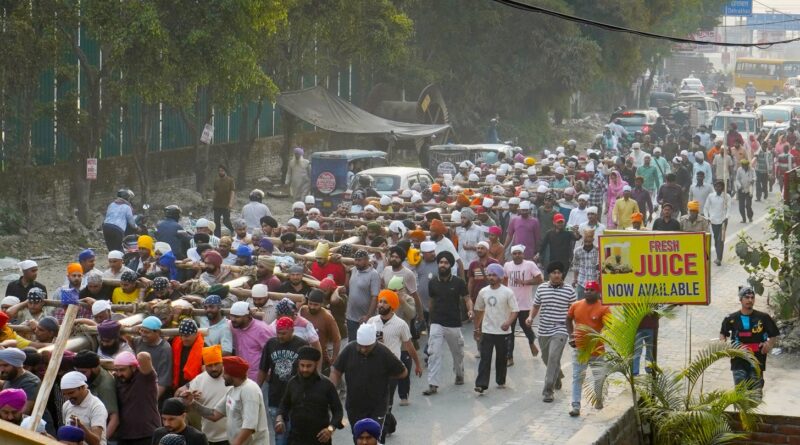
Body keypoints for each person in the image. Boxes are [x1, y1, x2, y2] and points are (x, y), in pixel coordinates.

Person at [330, 324, 407, 443]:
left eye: (367, 347)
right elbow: (336, 371)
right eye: (361, 346)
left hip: (377, 406)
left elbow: (403, 372)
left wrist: (384, 374)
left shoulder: (383, 352)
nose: (363, 349)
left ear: (374, 343)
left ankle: (388, 423)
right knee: (360, 439)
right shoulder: (349, 349)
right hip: (354, 406)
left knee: (374, 439)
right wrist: (331, 390)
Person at [186, 356, 270, 445]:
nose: (222, 376)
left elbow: (249, 426)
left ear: (233, 374)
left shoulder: (249, 390)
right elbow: (214, 414)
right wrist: (192, 403)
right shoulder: (233, 390)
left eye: (225, 373)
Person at [423, 251, 471, 396]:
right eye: (441, 262)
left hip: (453, 323)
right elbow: (431, 302)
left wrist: (470, 311)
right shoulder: (433, 282)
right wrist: (429, 319)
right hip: (436, 322)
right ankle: (433, 384)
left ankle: (459, 373)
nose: (442, 265)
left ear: (450, 265)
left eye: (445, 263)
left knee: (457, 353)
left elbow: (467, 298)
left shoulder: (458, 282)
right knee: (434, 353)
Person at [526, 261, 576, 403]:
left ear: (562, 275)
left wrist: (575, 331)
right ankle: (557, 375)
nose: (556, 275)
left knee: (553, 357)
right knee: (546, 358)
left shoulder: (569, 291)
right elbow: (535, 306)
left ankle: (548, 390)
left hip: (561, 329)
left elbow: (574, 312)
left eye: (559, 272)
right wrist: (530, 317)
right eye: (553, 272)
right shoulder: (541, 289)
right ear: (549, 275)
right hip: (543, 329)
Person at [720, 286, 780, 399]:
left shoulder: (763, 317)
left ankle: (755, 415)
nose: (750, 300)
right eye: (747, 297)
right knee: (740, 394)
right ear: (740, 299)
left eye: (752, 297)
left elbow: (773, 334)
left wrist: (769, 344)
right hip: (738, 360)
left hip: (757, 361)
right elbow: (723, 333)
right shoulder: (731, 318)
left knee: (755, 394)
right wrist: (725, 346)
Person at [276, 346, 343, 445]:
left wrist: (330, 429)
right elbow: (284, 405)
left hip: (320, 439)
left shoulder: (326, 384)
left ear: (315, 364)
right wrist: (279, 419)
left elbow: (338, 412)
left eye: (308, 366)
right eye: (302, 365)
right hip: (296, 439)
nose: (304, 369)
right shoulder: (292, 383)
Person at [367, 290, 422, 408]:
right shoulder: (371, 322)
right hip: (373, 365)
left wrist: (417, 364)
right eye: (380, 301)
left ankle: (386, 420)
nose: (381, 304)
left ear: (392, 306)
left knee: (387, 401)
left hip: (391, 367)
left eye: (385, 302)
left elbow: (409, 346)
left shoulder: (401, 324)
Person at [259, 316, 307, 445]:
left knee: (294, 434)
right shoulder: (271, 344)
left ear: (292, 330)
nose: (280, 336)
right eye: (278, 333)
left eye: (284, 333)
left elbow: (307, 370)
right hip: (275, 397)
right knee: (280, 436)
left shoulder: (302, 345)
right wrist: (257, 388)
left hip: (295, 399)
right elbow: (263, 368)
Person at [566, 281, 610, 417]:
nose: (588, 291)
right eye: (586, 289)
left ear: (598, 292)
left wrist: (603, 336)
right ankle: (575, 406)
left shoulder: (604, 308)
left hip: (597, 350)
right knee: (577, 377)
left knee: (599, 377)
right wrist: (571, 336)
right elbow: (568, 319)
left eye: (591, 290)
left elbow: (609, 326)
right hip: (580, 349)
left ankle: (598, 400)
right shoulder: (576, 305)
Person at [473, 263, 519, 393]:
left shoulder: (507, 292)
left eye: (494, 275)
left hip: (503, 332)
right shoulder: (483, 292)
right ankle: (481, 384)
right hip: (487, 330)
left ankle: (500, 380)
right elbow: (479, 310)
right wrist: (477, 328)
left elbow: (515, 310)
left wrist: (508, 322)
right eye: (489, 274)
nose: (491, 277)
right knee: (485, 358)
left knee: (501, 358)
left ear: (500, 277)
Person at [178, 345, 228, 445]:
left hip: (230, 436)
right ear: (204, 365)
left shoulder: (231, 377)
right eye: (210, 365)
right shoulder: (199, 380)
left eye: (216, 364)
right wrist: (190, 398)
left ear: (222, 362)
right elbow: (186, 401)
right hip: (207, 436)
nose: (214, 368)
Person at [503, 245, 543, 366]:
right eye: (514, 253)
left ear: (523, 254)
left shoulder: (530, 265)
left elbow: (540, 279)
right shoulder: (507, 265)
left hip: (525, 304)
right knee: (510, 331)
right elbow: (505, 279)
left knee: (526, 327)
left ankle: (531, 342)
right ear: (512, 255)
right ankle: (509, 357)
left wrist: (525, 282)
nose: (517, 255)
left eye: (519, 253)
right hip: (511, 305)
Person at [113, 351, 162, 445]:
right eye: (117, 370)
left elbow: (144, 356)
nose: (119, 374)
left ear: (133, 367)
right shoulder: (118, 379)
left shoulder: (145, 377)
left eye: (122, 370)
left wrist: (133, 358)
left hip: (146, 434)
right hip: (124, 435)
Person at [72, 351, 120, 439]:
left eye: (83, 372)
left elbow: (114, 418)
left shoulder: (105, 386)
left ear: (95, 368)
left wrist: (101, 441)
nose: (80, 376)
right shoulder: (90, 378)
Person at [60, 371, 108, 445]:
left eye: (71, 393)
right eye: (64, 394)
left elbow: (96, 442)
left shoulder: (97, 406)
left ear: (82, 387)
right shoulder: (66, 405)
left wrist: (81, 427)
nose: (68, 397)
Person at [229, 301, 272, 381]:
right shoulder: (233, 326)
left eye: (237, 317)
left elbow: (271, 352)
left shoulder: (262, 329)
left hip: (258, 378)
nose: (233, 319)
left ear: (247, 316)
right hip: (240, 376)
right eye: (231, 316)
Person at [346, 249, 381, 341]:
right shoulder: (354, 270)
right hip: (351, 317)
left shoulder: (373, 274)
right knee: (352, 343)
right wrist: (346, 273)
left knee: (367, 342)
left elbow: (375, 297)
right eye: (355, 260)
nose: (356, 262)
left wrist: (368, 316)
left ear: (366, 260)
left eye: (359, 260)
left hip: (365, 318)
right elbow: (348, 288)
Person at [704, 180, 731, 266]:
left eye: (720, 187)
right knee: (716, 240)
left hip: (723, 221)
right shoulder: (711, 196)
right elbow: (706, 208)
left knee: (720, 240)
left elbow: (729, 208)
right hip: (713, 221)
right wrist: (707, 217)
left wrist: (726, 217)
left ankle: (719, 258)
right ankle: (718, 256)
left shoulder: (726, 196)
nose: (718, 188)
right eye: (716, 187)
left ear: (723, 188)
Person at [571, 231, 600, 301]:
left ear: (593, 240)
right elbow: (576, 266)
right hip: (582, 282)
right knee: (581, 303)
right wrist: (575, 279)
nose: (587, 244)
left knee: (595, 304)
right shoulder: (577, 251)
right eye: (586, 241)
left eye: (589, 242)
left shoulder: (598, 250)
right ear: (583, 239)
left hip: (595, 282)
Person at [212, 165, 235, 238]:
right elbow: (214, 192)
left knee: (226, 221)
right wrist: (213, 201)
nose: (220, 172)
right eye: (219, 171)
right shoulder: (216, 181)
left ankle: (232, 230)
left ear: (225, 171)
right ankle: (217, 237)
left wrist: (230, 203)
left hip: (226, 205)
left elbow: (232, 192)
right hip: (217, 205)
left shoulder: (230, 180)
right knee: (216, 223)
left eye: (222, 170)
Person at [735, 159, 755, 223]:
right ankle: (743, 218)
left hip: (749, 189)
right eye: (743, 165)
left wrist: (753, 180)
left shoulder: (752, 170)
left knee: (748, 205)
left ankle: (750, 216)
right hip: (741, 189)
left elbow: (755, 177)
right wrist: (739, 186)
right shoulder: (739, 170)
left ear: (747, 165)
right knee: (741, 206)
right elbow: (737, 179)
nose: (744, 166)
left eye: (746, 165)